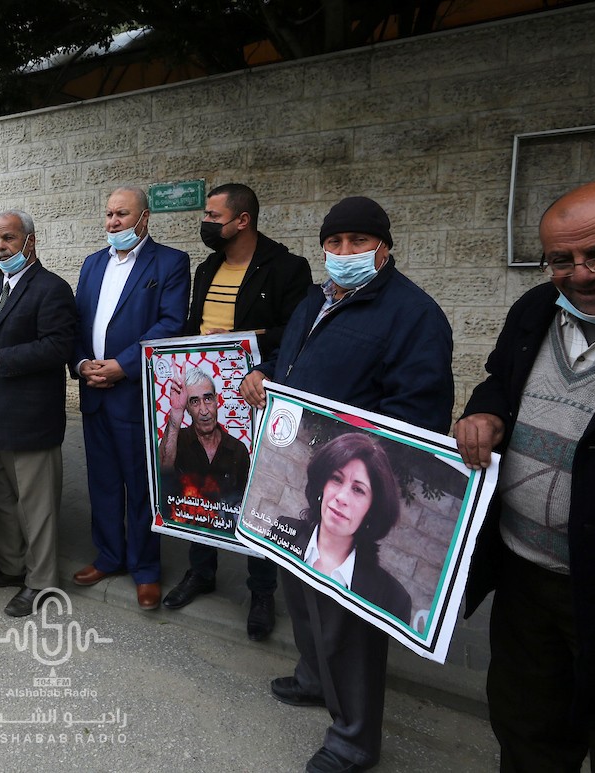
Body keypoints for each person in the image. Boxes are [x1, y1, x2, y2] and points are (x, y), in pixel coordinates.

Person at [241, 196, 453, 773]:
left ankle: (354, 739)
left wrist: (358, 450)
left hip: (354, 475)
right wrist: (263, 374)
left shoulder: (414, 315)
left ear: (384, 248)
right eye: (333, 242)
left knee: (347, 612)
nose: (344, 252)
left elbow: (420, 414)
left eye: (358, 241)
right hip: (303, 468)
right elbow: (290, 359)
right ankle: (314, 677)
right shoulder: (316, 299)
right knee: (299, 579)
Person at [454, 179, 595, 772]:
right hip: (525, 581)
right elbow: (499, 378)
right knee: (527, 733)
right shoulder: (536, 310)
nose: (582, 275)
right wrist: (485, 411)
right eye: (561, 260)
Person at [162, 182, 313, 641]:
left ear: (242, 220)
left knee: (255, 489)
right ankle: (200, 571)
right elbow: (193, 325)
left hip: (255, 393)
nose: (206, 223)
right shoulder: (207, 267)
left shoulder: (287, 268)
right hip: (205, 387)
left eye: (213, 216)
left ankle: (262, 591)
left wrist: (249, 345)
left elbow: (297, 330)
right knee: (196, 480)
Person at [71, 186, 189, 611]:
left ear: (144, 218)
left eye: (121, 214)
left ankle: (145, 569)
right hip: (94, 392)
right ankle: (109, 556)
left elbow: (171, 323)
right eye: (109, 214)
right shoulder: (92, 264)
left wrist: (123, 365)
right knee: (102, 483)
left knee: (140, 485)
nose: (113, 222)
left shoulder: (170, 262)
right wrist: (81, 363)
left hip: (134, 393)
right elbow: (77, 322)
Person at [0, 209, 77, 617]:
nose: (1, 246)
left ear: (30, 241)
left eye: (9, 238)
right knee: (2, 499)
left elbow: (57, 347)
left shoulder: (52, 288)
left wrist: (0, 357)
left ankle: (41, 581)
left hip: (32, 417)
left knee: (37, 507)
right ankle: (12, 566)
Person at [270, 432, 410, 621]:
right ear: (322, 484)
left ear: (372, 509)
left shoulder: (393, 598)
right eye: (336, 478)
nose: (342, 497)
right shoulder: (282, 533)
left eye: (358, 490)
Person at [158, 367, 250, 507]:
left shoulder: (238, 449)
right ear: (187, 408)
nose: (204, 410)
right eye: (194, 402)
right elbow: (162, 469)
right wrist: (176, 412)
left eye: (208, 399)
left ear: (216, 400)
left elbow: (246, 502)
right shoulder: (177, 441)